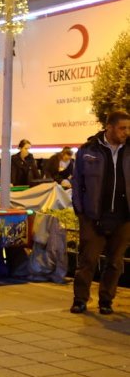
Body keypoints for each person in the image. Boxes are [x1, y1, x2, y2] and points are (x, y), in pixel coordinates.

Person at [70, 109, 130, 315]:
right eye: (122, 128)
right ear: (109, 127)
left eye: (128, 128)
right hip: (93, 216)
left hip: (123, 218)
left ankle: (106, 300)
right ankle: (80, 300)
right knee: (87, 260)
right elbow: (77, 183)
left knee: (115, 263)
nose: (126, 132)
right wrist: (80, 212)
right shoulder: (88, 150)